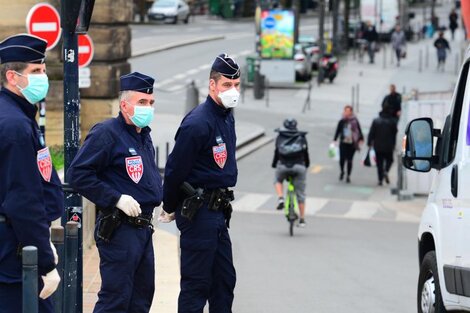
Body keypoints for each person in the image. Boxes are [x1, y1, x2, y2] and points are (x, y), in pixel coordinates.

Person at [67, 72, 163, 312]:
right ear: (124, 105)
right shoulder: (107, 133)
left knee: (141, 298)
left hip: (143, 229)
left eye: (151, 103)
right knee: (116, 300)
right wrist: (116, 198)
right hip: (120, 229)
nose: (148, 107)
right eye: (142, 102)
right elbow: (79, 174)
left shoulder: (143, 135)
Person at [161, 54, 239, 313]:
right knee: (196, 286)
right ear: (212, 85)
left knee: (224, 282)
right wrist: (170, 205)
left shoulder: (226, 116)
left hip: (218, 212)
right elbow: (174, 169)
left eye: (237, 84)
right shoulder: (198, 123)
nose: (233, 90)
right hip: (199, 212)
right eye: (227, 85)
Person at [0, 34, 63, 313]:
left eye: (44, 70)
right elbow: (23, 200)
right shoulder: (15, 125)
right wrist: (46, 262)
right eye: (36, 71)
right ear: (12, 77)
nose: (43, 77)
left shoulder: (17, 115)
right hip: (14, 253)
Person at [272, 118, 310, 226]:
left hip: (283, 166)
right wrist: (306, 165)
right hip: (299, 166)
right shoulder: (301, 136)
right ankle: (302, 219)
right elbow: (305, 153)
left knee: (277, 180)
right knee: (301, 194)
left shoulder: (280, 136)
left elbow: (277, 152)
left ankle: (280, 198)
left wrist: (275, 164)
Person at [367, 110, 398, 186]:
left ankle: (380, 179)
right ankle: (386, 171)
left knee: (379, 163)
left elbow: (371, 133)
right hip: (389, 146)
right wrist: (394, 144)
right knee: (390, 160)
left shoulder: (376, 121)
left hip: (378, 146)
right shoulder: (392, 122)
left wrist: (369, 142)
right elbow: (395, 133)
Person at [333, 106, 363, 183]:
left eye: (348, 111)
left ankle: (348, 175)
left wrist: (360, 139)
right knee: (342, 159)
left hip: (352, 143)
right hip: (343, 142)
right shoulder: (341, 121)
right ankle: (342, 171)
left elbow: (359, 130)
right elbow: (338, 131)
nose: (346, 112)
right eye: (345, 111)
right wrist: (335, 139)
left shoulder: (355, 121)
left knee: (350, 160)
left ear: (351, 112)